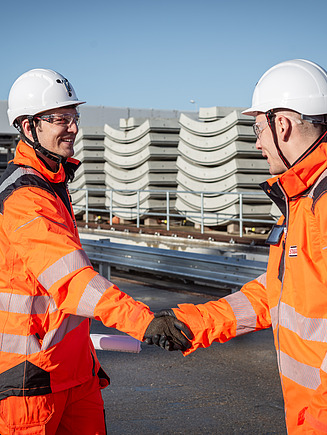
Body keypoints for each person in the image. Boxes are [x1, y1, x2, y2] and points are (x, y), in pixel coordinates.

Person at [0, 68, 192, 435]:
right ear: (28, 127)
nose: (72, 127)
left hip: (74, 371)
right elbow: (73, 281)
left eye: (74, 117)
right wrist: (144, 322)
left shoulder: (52, 184)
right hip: (31, 380)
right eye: (60, 119)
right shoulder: (25, 197)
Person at [163, 59, 327, 433]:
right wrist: (192, 324)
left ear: (282, 124)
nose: (256, 142)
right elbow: (280, 293)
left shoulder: (322, 200)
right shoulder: (303, 198)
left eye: (258, 127)